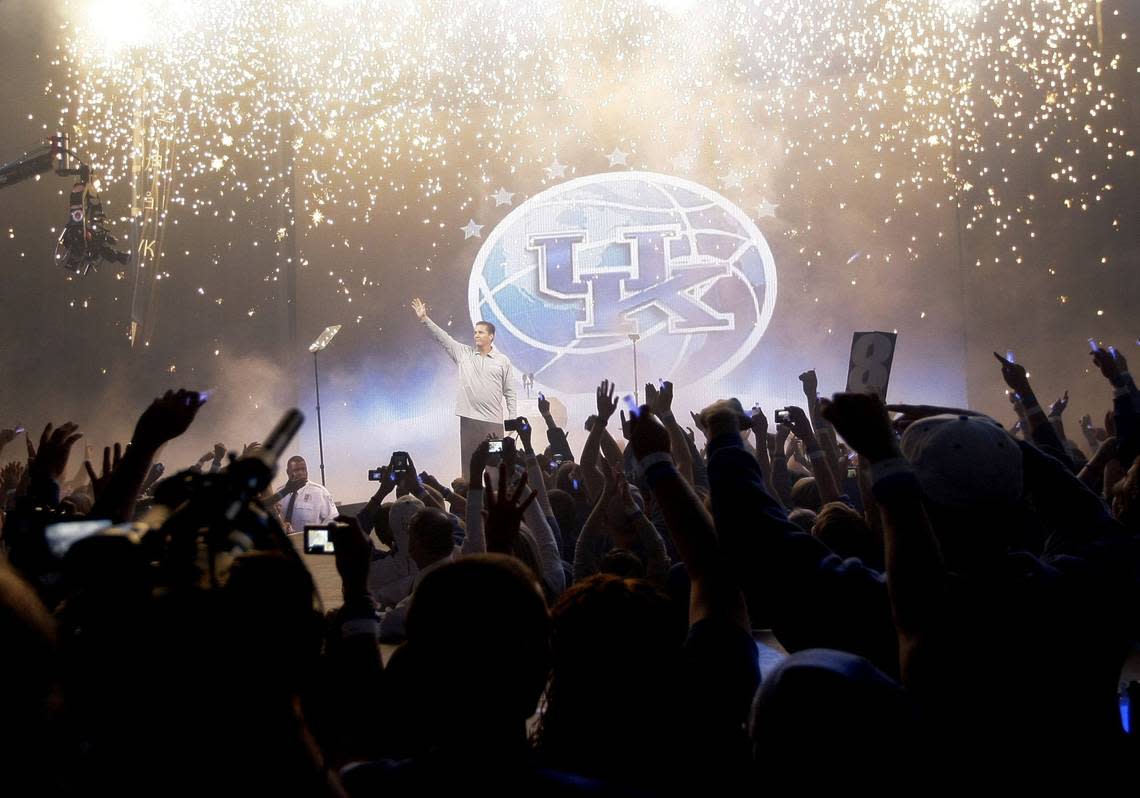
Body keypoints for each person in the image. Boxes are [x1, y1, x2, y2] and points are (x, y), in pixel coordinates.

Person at [411, 297, 516, 469]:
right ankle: (468, 495)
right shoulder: (463, 353)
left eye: (481, 332)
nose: (476, 335)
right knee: (469, 467)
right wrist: (424, 319)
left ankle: (497, 495)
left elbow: (510, 392)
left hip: (493, 423)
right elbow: (443, 338)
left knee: (496, 469)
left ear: (491, 336)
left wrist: (512, 421)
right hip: (469, 422)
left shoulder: (502, 360)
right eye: (475, 332)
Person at [274, 455, 337, 534]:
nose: (300, 473)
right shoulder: (280, 493)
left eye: (303, 469)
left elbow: (333, 520)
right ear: (288, 472)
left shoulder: (320, 492)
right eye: (296, 470)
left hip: (311, 543)